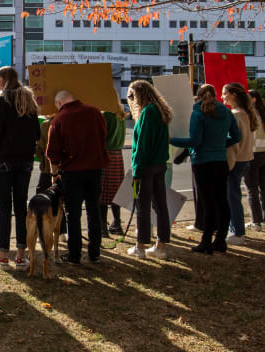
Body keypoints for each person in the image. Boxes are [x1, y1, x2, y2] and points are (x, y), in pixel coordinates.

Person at [171, 84, 241, 254]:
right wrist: (219, 145)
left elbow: (194, 141)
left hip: (202, 162)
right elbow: (236, 136)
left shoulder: (197, 113)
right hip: (220, 161)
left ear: (198, 96)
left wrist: (171, 140)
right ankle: (220, 240)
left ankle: (206, 242)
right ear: (215, 95)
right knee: (222, 202)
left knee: (208, 203)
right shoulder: (226, 112)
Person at [0, 66, 40, 270]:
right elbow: (37, 133)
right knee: (20, 207)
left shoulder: (2, 100)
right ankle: (21, 255)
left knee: (4, 209)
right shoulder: (28, 100)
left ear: (4, 80)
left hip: (4, 161)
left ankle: (2, 256)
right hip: (24, 161)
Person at [46, 90, 108, 264]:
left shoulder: (59, 119)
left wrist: (54, 173)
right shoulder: (95, 112)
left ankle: (74, 254)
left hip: (72, 172)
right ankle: (95, 252)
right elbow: (104, 137)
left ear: (59, 103)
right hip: (95, 169)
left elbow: (52, 152)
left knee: (73, 214)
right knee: (93, 210)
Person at [126, 80, 173, 260]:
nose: (130, 99)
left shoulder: (147, 112)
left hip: (145, 168)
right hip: (159, 165)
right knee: (160, 205)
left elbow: (142, 146)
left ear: (139, 95)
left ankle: (140, 246)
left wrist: (136, 172)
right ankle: (160, 245)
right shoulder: (159, 110)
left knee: (142, 206)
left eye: (131, 96)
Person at [222, 82, 256, 244]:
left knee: (232, 197)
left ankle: (237, 232)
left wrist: (228, 164)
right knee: (233, 195)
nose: (222, 97)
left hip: (236, 160)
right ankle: (235, 229)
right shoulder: (246, 113)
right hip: (245, 158)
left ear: (233, 95)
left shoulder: (235, 115)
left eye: (224, 93)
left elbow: (234, 143)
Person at [244, 89, 265, 231]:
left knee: (251, 189)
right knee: (264, 187)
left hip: (253, 153)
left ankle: (256, 221)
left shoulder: (250, 115)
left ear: (253, 99)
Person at [101, 108, 127, 237]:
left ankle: (102, 228)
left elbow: (101, 135)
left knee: (102, 195)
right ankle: (117, 223)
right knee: (116, 193)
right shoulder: (121, 114)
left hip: (106, 153)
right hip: (118, 154)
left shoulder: (106, 114)